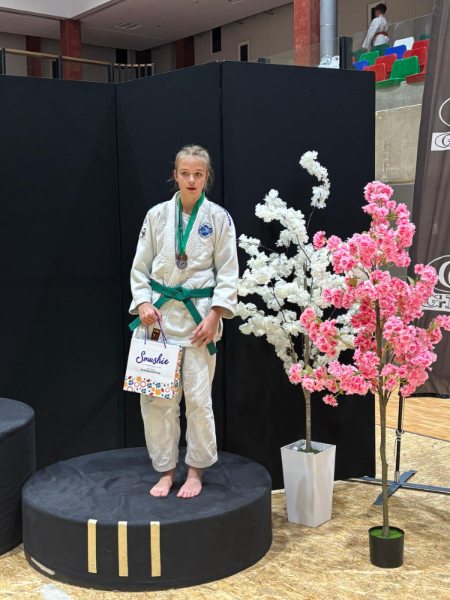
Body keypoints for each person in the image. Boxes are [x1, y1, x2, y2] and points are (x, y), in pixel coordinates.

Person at [129, 144, 239, 499]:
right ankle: (165, 470)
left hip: (198, 321)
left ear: (207, 177)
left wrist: (215, 315)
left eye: (198, 174)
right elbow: (140, 266)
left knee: (198, 399)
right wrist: (143, 302)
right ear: (175, 175)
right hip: (158, 320)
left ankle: (195, 471)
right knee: (156, 400)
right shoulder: (156, 215)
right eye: (185, 173)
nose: (192, 180)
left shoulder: (218, 218)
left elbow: (228, 272)